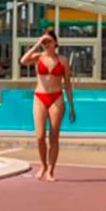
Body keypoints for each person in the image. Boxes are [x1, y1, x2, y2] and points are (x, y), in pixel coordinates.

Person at [19, 29, 76, 182]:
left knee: (54, 136)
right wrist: (37, 44)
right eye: (44, 42)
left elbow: (68, 84)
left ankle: (51, 170)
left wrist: (71, 105)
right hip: (40, 97)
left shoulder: (62, 60)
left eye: (48, 42)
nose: (46, 45)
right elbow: (23, 61)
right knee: (39, 136)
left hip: (56, 97)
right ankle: (43, 165)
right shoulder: (38, 57)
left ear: (56, 43)